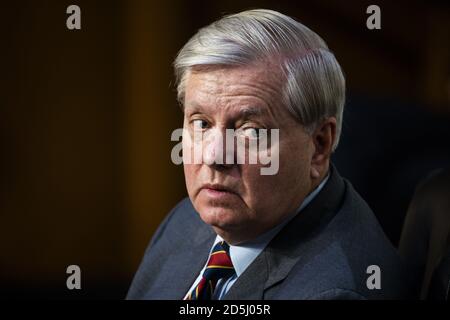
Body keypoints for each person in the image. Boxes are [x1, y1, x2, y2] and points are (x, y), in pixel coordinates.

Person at [127, 9, 408, 300]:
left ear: (319, 145)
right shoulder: (187, 219)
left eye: (251, 130)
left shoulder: (334, 292)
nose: (214, 156)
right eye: (202, 123)